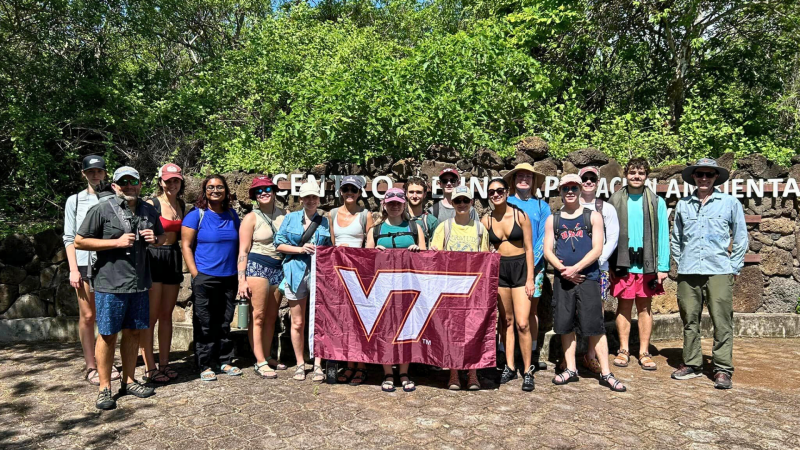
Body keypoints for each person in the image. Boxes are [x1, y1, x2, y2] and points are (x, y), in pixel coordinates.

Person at [75, 166, 167, 410]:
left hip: (139, 283)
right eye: (123, 182)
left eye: (133, 181)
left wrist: (155, 239)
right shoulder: (102, 209)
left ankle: (129, 380)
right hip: (110, 284)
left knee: (134, 332)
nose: (128, 186)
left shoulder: (149, 209)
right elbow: (79, 241)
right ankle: (105, 387)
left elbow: (162, 237)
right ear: (115, 185)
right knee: (107, 335)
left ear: (139, 184)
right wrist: (115, 242)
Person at [670, 158, 747, 389]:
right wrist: (681, 260)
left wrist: (734, 266)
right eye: (700, 174)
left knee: (722, 321)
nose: (704, 178)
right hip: (689, 270)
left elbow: (741, 236)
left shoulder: (729, 203)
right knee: (689, 319)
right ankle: (693, 363)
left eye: (709, 175)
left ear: (715, 178)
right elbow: (676, 238)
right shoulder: (683, 205)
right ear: (693, 177)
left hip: (719, 271)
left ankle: (722, 368)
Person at [544, 174, 625, 392]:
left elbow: (598, 249)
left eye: (573, 188)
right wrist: (564, 271)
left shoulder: (593, 216)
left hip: (589, 277)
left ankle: (606, 372)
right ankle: (570, 369)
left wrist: (576, 269)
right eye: (565, 188)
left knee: (595, 325)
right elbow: (547, 250)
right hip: (564, 279)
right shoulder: (554, 219)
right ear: (559, 192)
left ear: (580, 190)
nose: (569, 192)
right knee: (565, 325)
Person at [63, 155, 121, 385]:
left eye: (99, 171)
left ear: (105, 173)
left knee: (109, 315)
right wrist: (73, 269)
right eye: (91, 171)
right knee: (88, 316)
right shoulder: (74, 201)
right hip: (84, 263)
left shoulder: (115, 198)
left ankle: (106, 361)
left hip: (110, 264)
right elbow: (69, 237)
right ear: (84, 173)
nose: (95, 175)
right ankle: (90, 365)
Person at [608, 157, 670, 371]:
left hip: (647, 264)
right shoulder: (614, 200)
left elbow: (663, 235)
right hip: (622, 263)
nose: (636, 176)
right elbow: (607, 234)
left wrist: (663, 266)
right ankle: (624, 350)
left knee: (645, 307)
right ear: (625, 174)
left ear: (646, 176)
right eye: (632, 172)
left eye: (641, 173)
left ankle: (644, 351)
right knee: (623, 306)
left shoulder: (656, 202)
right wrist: (607, 264)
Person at [181, 175, 242, 382]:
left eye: (219, 187)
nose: (215, 190)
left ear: (226, 190)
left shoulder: (232, 215)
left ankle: (225, 360)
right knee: (204, 323)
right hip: (205, 277)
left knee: (224, 322)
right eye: (210, 187)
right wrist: (196, 275)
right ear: (204, 191)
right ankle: (205, 364)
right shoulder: (196, 215)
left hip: (229, 277)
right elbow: (186, 246)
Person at [365, 187, 426, 392]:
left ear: (403, 205)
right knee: (385, 328)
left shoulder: (414, 227)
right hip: (382, 287)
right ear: (385, 204)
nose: (394, 206)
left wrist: (417, 251)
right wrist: (374, 252)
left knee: (407, 328)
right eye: (390, 203)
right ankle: (388, 372)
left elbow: (427, 259)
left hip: (408, 287)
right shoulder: (376, 230)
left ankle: (404, 371)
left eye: (398, 203)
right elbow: (364, 261)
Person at [431, 185, 490, 391]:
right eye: (458, 201)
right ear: (453, 204)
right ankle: (454, 373)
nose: (462, 204)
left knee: (474, 329)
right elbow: (435, 258)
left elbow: (484, 261)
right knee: (452, 330)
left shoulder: (480, 229)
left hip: (473, 288)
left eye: (466, 201)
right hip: (449, 289)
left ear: (472, 202)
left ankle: (473, 373)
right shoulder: (444, 227)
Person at [481, 179, 537, 391]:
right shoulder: (486, 220)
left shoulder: (520, 215)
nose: (496, 194)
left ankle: (527, 370)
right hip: (500, 270)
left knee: (523, 322)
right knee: (507, 321)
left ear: (507, 191)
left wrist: (530, 278)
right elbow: (483, 249)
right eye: (492, 192)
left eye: (499, 190)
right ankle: (510, 366)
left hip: (521, 268)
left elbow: (530, 248)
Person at [275, 180, 331, 383]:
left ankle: (318, 364)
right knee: (298, 322)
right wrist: (300, 249)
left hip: (318, 276)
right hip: (294, 273)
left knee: (318, 322)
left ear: (319, 199)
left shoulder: (324, 221)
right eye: (307, 197)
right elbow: (278, 244)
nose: (310, 200)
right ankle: (300, 363)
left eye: (314, 197)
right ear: (301, 199)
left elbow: (330, 247)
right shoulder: (290, 219)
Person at [237, 176, 288, 379]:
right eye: (259, 191)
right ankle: (259, 361)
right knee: (257, 316)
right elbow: (243, 250)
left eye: (267, 188)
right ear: (254, 196)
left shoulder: (284, 215)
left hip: (278, 267)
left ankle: (267, 355)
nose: (264, 193)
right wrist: (242, 279)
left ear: (274, 191)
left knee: (271, 317)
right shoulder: (251, 218)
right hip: (257, 266)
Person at [140, 163, 187, 384]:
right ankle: (150, 366)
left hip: (173, 258)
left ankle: (165, 363)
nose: (172, 184)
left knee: (167, 314)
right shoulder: (151, 204)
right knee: (150, 316)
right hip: (153, 258)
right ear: (161, 181)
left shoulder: (182, 204)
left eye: (176, 180)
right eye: (168, 181)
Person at [503, 163, 550, 371]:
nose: (524, 180)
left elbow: (544, 235)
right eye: (519, 176)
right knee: (506, 313)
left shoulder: (542, 206)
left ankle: (530, 350)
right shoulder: (506, 202)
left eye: (528, 177)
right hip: (508, 265)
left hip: (535, 265)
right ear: (513, 181)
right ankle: (505, 353)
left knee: (531, 311)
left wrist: (531, 260)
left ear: (533, 181)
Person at [329, 175, 374, 385]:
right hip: (337, 273)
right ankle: (348, 363)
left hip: (358, 275)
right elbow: (329, 246)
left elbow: (370, 247)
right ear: (340, 191)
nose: (349, 193)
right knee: (343, 319)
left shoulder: (366, 215)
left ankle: (361, 364)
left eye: (353, 190)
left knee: (359, 320)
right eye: (345, 189)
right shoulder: (331, 214)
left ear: (359, 193)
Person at [577, 166, 620, 374]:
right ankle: (570, 356)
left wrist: (598, 258)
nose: (588, 181)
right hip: (574, 268)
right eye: (584, 178)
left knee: (597, 313)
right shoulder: (571, 204)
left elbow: (612, 238)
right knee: (573, 311)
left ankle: (591, 356)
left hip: (598, 269)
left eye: (591, 178)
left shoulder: (605, 208)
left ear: (598, 181)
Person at [405, 176, 439, 246]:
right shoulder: (399, 218)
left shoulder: (431, 221)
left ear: (425, 194)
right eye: (411, 192)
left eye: (418, 192)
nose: (414, 196)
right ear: (406, 193)